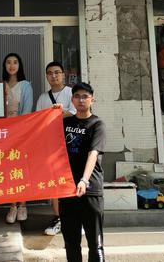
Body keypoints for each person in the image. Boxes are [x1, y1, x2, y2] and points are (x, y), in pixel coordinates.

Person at [60, 82, 106, 262]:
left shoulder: (97, 124)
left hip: (90, 189)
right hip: (67, 190)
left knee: (95, 243)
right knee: (71, 242)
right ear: (72, 99)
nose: (81, 100)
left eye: (85, 96)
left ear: (92, 100)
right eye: (77, 96)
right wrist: (55, 113)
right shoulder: (65, 123)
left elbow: (93, 153)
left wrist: (84, 180)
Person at [36, 61, 76, 236]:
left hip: (71, 142)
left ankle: (76, 219)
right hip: (50, 145)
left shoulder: (72, 93)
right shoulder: (42, 98)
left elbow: (75, 112)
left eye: (57, 72)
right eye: (50, 73)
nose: (54, 76)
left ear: (63, 75)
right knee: (54, 182)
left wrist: (55, 113)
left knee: (72, 179)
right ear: (46, 76)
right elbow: (37, 119)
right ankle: (58, 217)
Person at [2, 52, 33, 224]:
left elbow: (27, 111)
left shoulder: (25, 85)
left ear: (19, 65)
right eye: (8, 62)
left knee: (21, 169)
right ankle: (12, 205)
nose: (12, 65)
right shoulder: (0, 84)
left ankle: (23, 204)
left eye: (15, 62)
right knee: (8, 169)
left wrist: (19, 131)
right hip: (3, 133)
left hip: (20, 132)